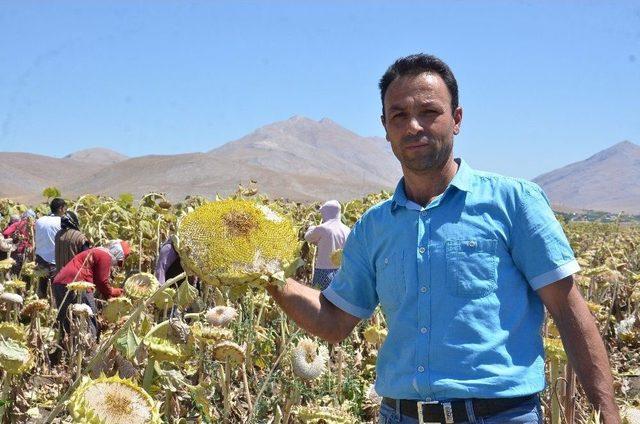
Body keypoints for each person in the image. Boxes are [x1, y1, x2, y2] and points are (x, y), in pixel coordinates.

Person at [267, 54, 621, 423]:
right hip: (401, 415)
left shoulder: (513, 202)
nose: (413, 126)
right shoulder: (374, 226)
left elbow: (568, 309)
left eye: (430, 112)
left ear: (457, 119)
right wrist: (266, 275)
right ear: (385, 127)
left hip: (500, 415)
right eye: (399, 115)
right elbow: (335, 321)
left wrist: (607, 413)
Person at [52, 239, 130, 338]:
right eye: (118, 261)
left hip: (59, 282)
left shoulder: (97, 251)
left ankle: (65, 347)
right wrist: (112, 292)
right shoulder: (105, 256)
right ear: (117, 253)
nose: (115, 265)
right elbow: (101, 281)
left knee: (66, 318)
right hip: (78, 283)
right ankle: (91, 346)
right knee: (89, 316)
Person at [304, 200, 351, 290]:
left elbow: (307, 237)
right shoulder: (347, 230)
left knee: (319, 298)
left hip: (323, 270)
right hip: (341, 272)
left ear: (326, 212)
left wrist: (311, 227)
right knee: (335, 300)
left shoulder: (323, 228)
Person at [34, 198, 67, 296]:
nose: (65, 212)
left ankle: (41, 308)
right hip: (55, 260)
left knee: (42, 287)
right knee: (56, 290)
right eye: (65, 209)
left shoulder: (39, 220)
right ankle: (54, 309)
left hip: (40, 259)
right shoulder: (62, 221)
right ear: (61, 208)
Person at [2, 210, 35, 275]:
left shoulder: (17, 224)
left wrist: (12, 238)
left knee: (15, 273)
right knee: (28, 273)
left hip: (17, 251)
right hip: (30, 252)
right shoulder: (34, 224)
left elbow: (5, 233)